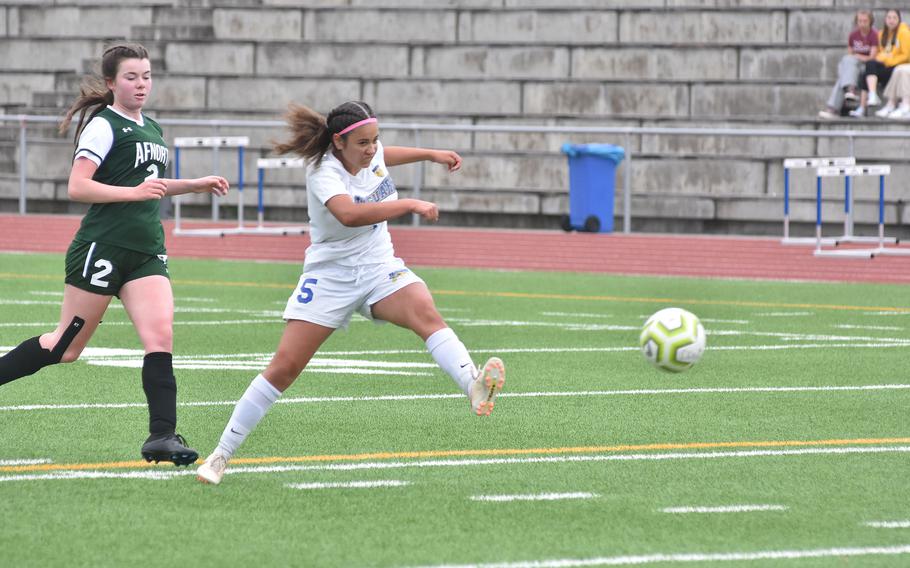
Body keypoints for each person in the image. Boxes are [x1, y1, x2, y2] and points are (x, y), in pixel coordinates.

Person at [196, 101, 506, 485]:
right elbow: (349, 214)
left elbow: (385, 158)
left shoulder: (369, 154)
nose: (372, 149)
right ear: (338, 143)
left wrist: (429, 154)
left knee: (425, 312)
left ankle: (474, 387)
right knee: (285, 367)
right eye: (363, 143)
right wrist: (407, 204)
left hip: (379, 267)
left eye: (375, 140)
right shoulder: (322, 172)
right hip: (331, 277)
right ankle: (221, 455)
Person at [0, 42, 229, 465]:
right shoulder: (104, 126)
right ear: (111, 83)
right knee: (63, 349)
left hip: (146, 252)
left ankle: (162, 437)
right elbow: (78, 186)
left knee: (160, 337)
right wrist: (134, 192)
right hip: (101, 248)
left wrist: (193, 183)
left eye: (146, 76)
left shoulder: (153, 128)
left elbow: (151, 183)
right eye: (131, 77)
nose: (141, 84)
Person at [818, 10, 878, 119]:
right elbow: (850, 55)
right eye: (860, 21)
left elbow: (872, 57)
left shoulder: (874, 35)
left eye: (865, 21)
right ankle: (849, 89)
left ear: (870, 22)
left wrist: (859, 56)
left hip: (867, 67)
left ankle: (834, 108)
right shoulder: (853, 35)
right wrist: (855, 57)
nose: (862, 24)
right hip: (854, 66)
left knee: (845, 72)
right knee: (846, 63)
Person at [851, 9, 910, 117]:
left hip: (897, 66)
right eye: (889, 18)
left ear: (899, 20)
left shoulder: (903, 32)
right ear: (885, 19)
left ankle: (879, 103)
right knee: (868, 68)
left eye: (894, 18)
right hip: (886, 67)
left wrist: (889, 60)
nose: (891, 21)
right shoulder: (882, 34)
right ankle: (871, 97)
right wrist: (883, 58)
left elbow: (906, 56)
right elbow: (879, 54)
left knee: (869, 69)